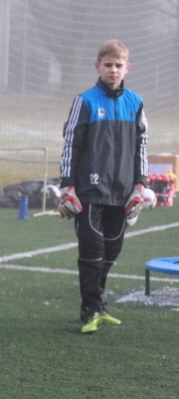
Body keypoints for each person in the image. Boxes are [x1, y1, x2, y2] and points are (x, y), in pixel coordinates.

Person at [58, 39, 149, 333]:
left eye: (118, 65)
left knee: (111, 251)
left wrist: (141, 183)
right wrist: (67, 186)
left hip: (122, 193)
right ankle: (91, 309)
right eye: (108, 65)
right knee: (92, 252)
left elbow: (141, 145)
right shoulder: (85, 101)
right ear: (97, 66)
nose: (113, 70)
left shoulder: (136, 102)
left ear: (127, 68)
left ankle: (97, 303)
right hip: (89, 192)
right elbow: (71, 145)